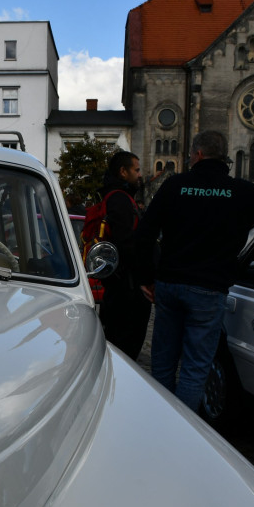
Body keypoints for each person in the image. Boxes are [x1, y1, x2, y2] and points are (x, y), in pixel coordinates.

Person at [134, 130, 254, 411]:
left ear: (198, 155)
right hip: (208, 290)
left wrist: (145, 277)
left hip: (170, 284)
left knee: (163, 362)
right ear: (223, 157)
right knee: (194, 368)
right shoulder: (241, 191)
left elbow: (144, 235)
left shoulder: (174, 185)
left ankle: (159, 422)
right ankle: (183, 433)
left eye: (191, 154)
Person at [97, 150, 150, 360]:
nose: (140, 175)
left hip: (118, 286)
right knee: (124, 350)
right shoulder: (120, 200)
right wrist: (144, 277)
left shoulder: (115, 196)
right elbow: (127, 245)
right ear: (123, 172)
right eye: (136, 170)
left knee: (117, 345)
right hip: (126, 290)